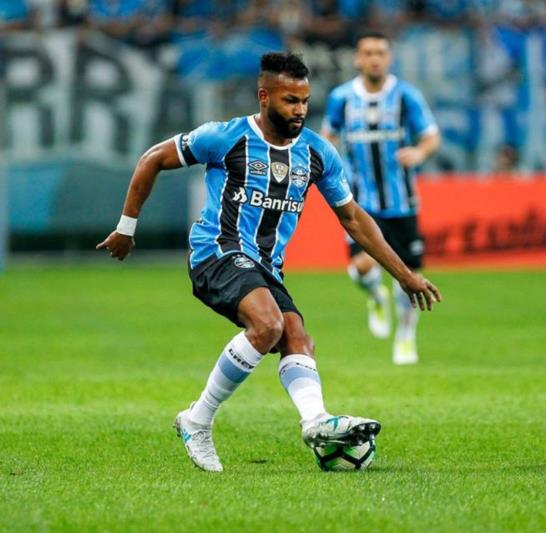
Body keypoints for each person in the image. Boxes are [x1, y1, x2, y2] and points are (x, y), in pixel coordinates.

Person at [96, 52, 441, 472]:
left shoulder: (317, 153)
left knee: (297, 336)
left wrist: (404, 276)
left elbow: (354, 218)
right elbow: (152, 158)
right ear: (264, 96)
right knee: (269, 325)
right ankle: (197, 420)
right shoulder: (225, 137)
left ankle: (316, 420)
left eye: (304, 101)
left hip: (264, 266)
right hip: (216, 253)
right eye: (289, 101)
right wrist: (126, 227)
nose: (299, 110)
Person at [321, 31, 441, 365]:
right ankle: (375, 293)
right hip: (359, 201)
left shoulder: (406, 96)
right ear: (358, 59)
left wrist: (418, 153)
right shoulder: (342, 98)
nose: (375, 58)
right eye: (368, 52)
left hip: (402, 202)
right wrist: (336, 165)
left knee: (410, 274)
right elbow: (326, 136)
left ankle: (405, 335)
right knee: (360, 267)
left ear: (389, 58)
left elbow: (431, 137)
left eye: (381, 53)